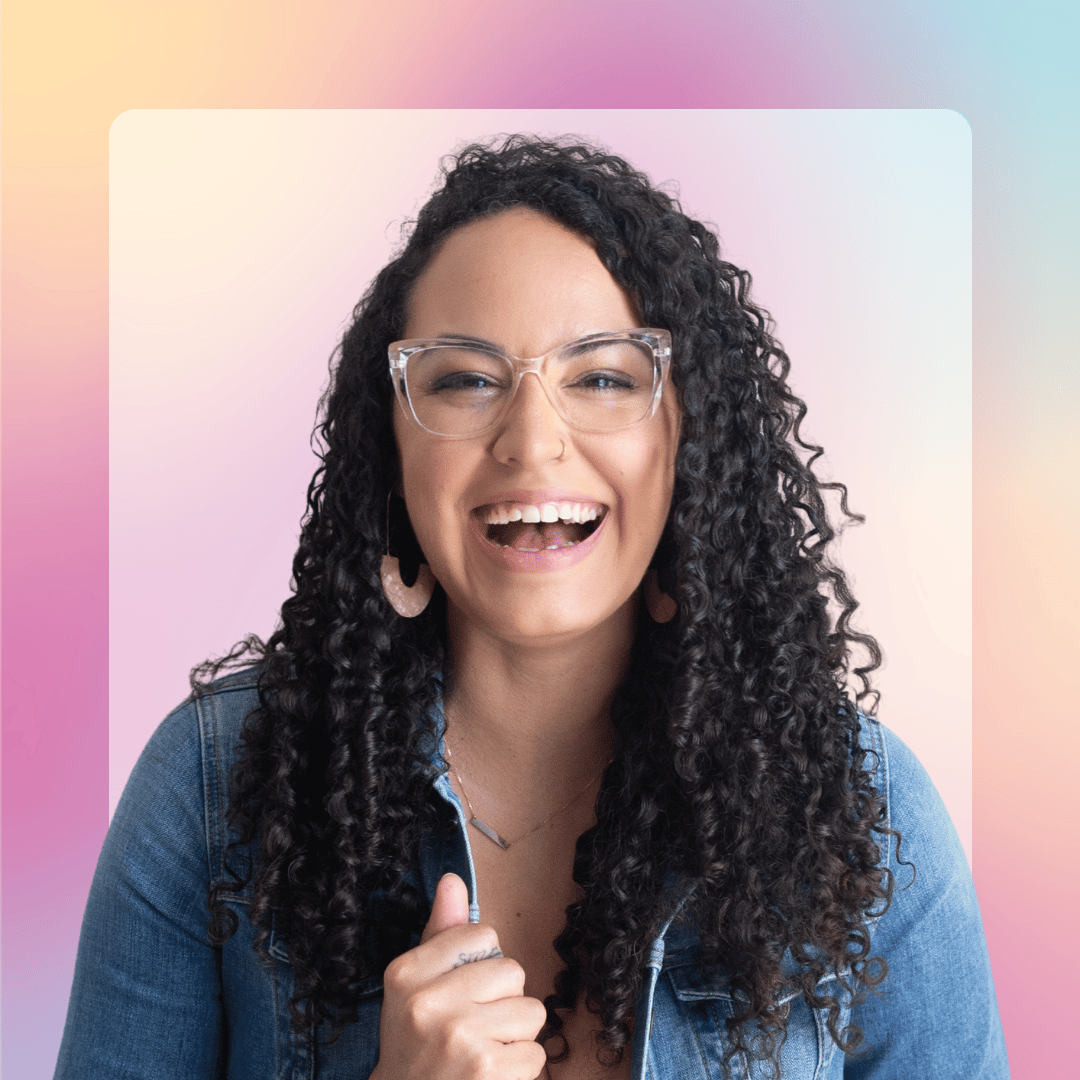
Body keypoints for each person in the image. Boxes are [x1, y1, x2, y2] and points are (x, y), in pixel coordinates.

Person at [55, 135, 1008, 1079]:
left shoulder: (860, 809)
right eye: (466, 380)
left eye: (602, 377)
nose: (532, 441)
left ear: (690, 445)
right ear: (391, 450)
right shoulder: (215, 792)